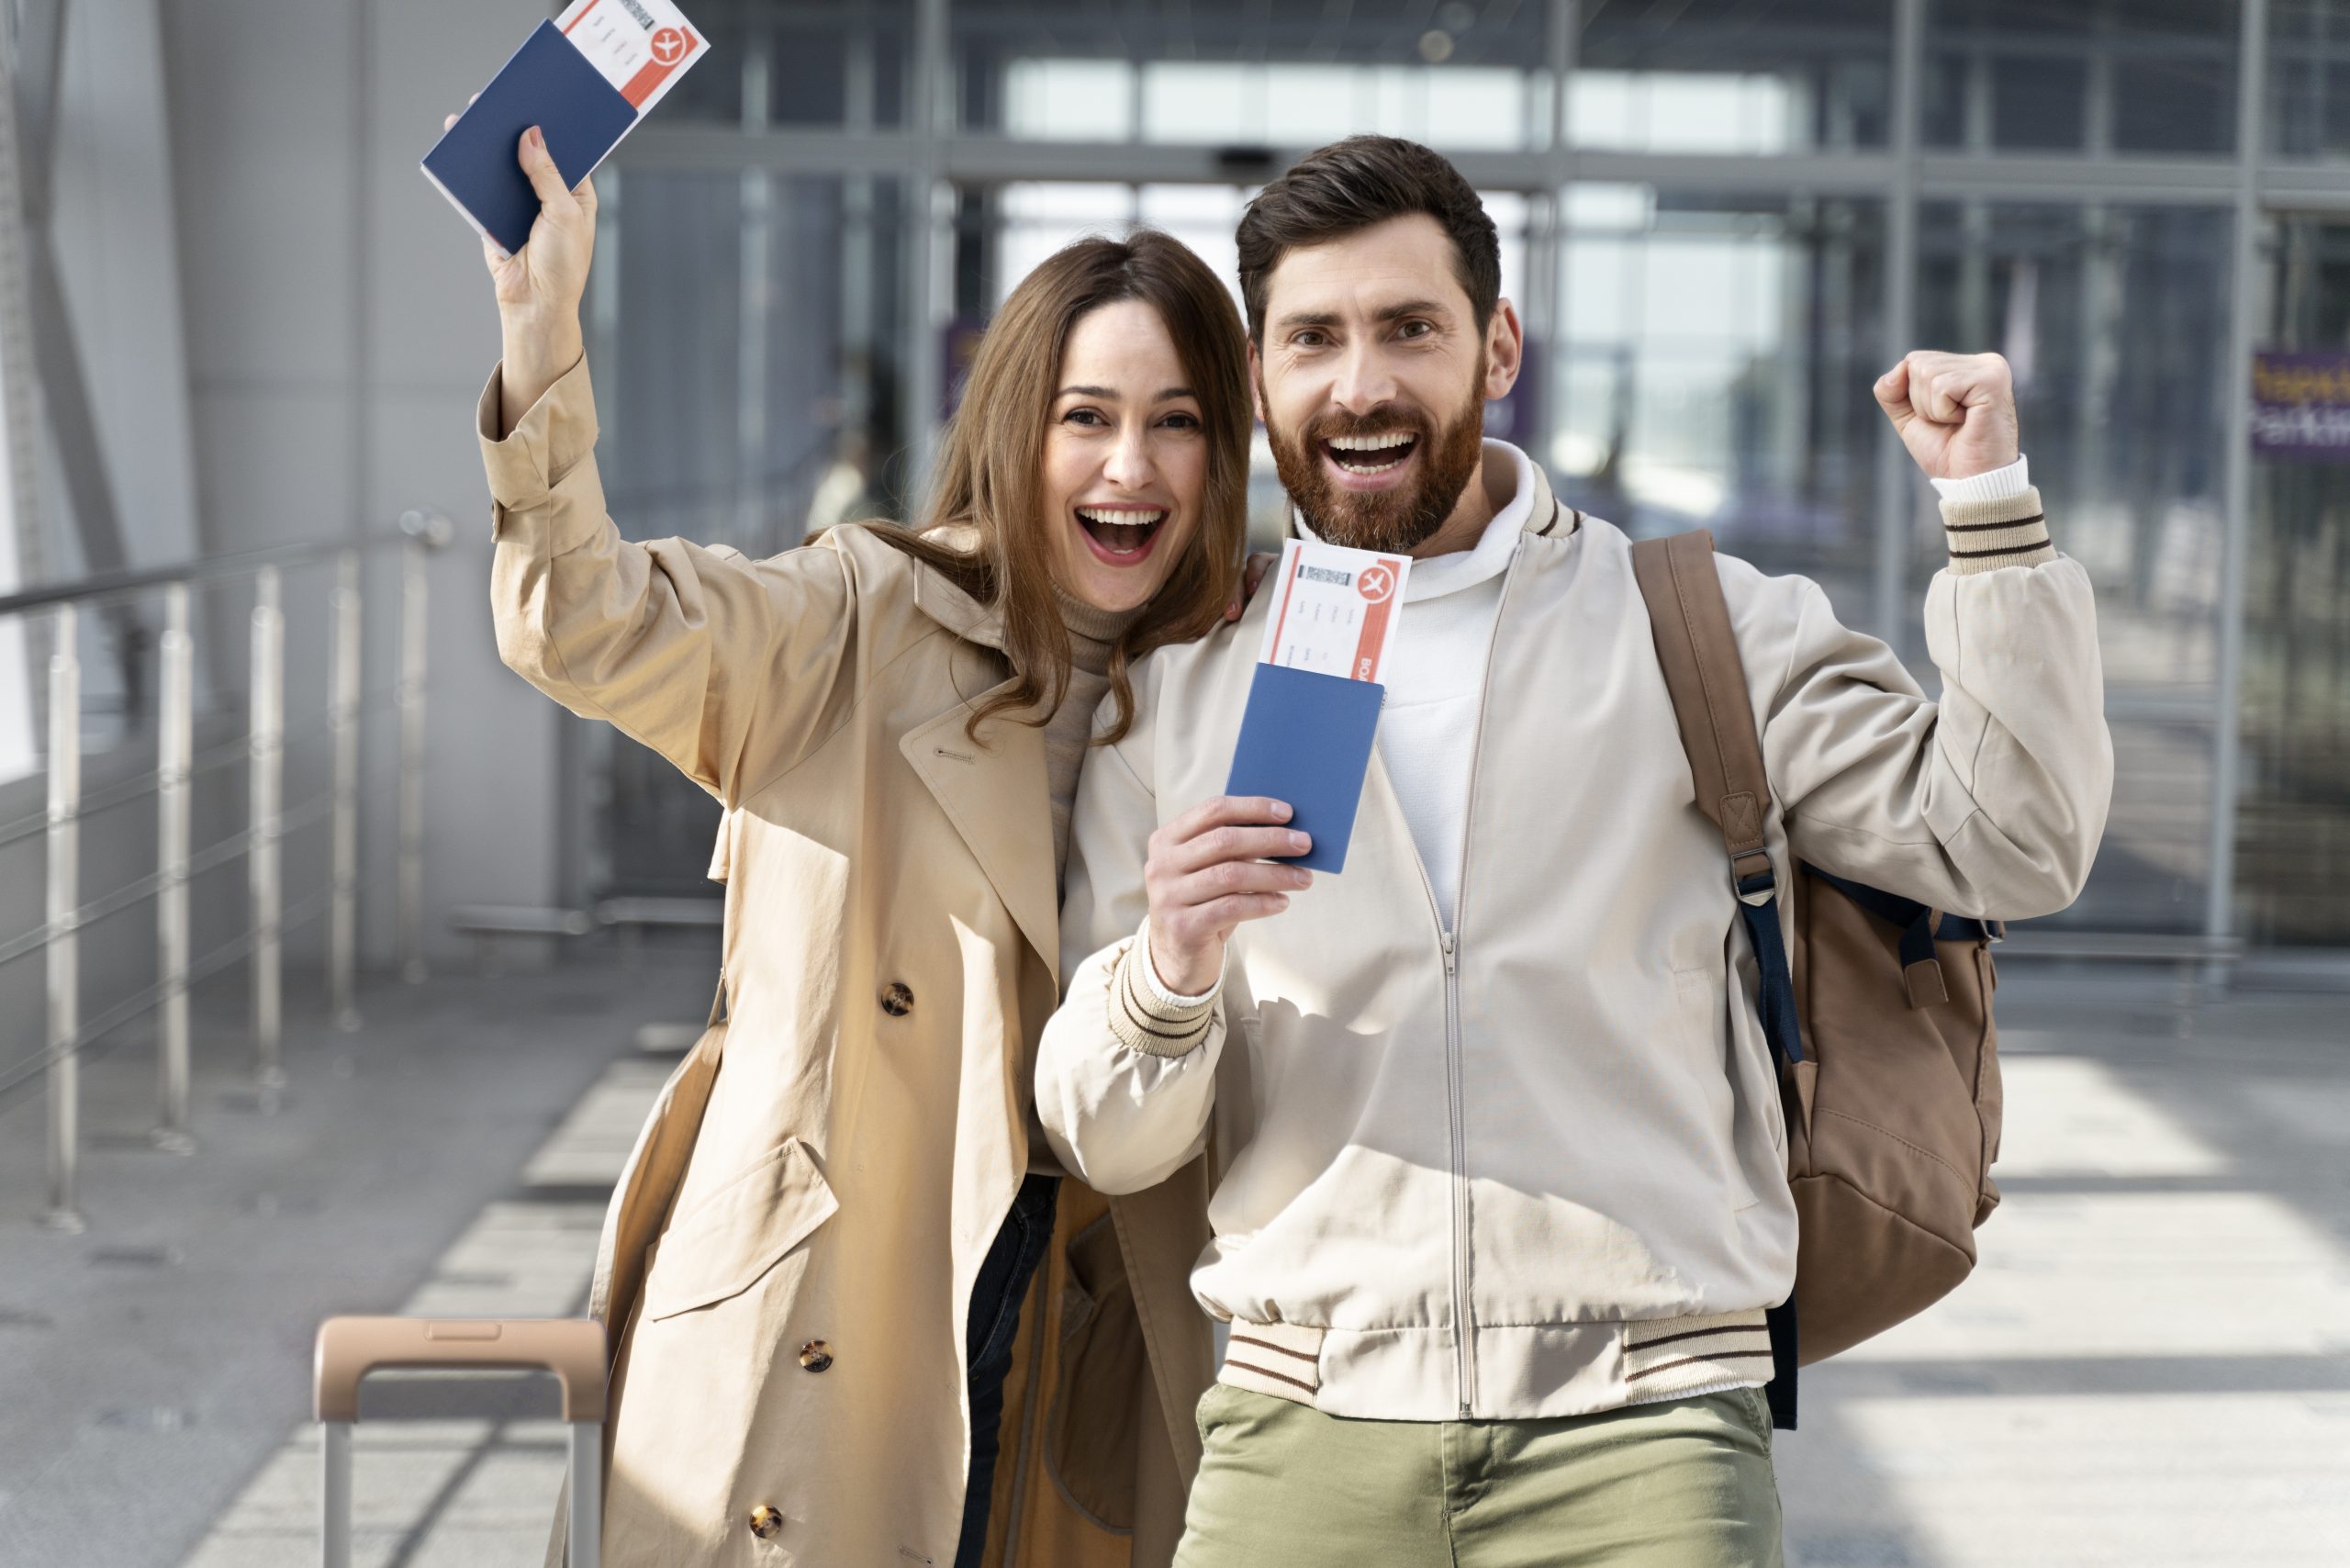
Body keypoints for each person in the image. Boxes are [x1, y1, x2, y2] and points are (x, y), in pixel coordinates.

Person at [1036, 135, 2114, 1566]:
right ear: (1258, 377)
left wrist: (1988, 511)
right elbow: (1105, 1135)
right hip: (1301, 1432)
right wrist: (1165, 970)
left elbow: (2014, 842)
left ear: (1496, 348)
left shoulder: (1700, 628)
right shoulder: (1176, 690)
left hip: (1649, 1431)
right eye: (1315, 338)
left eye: (1409, 329)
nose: (1360, 384)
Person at [463, 121, 1246, 1568]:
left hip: (1096, 1320)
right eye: (1085, 416)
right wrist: (543, 334)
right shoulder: (863, 615)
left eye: (1178, 419)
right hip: (838, 1297)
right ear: (1018, 427)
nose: (1129, 466)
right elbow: (582, 619)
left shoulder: (1251, 675)